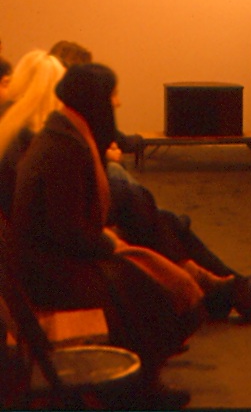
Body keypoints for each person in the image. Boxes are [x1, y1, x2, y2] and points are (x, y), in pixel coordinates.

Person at [0, 51, 251, 323]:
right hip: (53, 263)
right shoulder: (51, 144)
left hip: (47, 249)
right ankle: (231, 288)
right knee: (143, 208)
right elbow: (64, 224)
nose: (117, 103)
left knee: (152, 214)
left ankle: (232, 288)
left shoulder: (34, 135)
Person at [9, 62, 207, 407]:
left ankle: (141, 378)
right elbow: (68, 231)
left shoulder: (63, 136)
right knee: (142, 283)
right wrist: (107, 242)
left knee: (140, 273)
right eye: (112, 95)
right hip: (48, 271)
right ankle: (138, 386)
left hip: (48, 259)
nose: (117, 103)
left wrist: (106, 240)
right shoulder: (63, 148)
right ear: (95, 100)